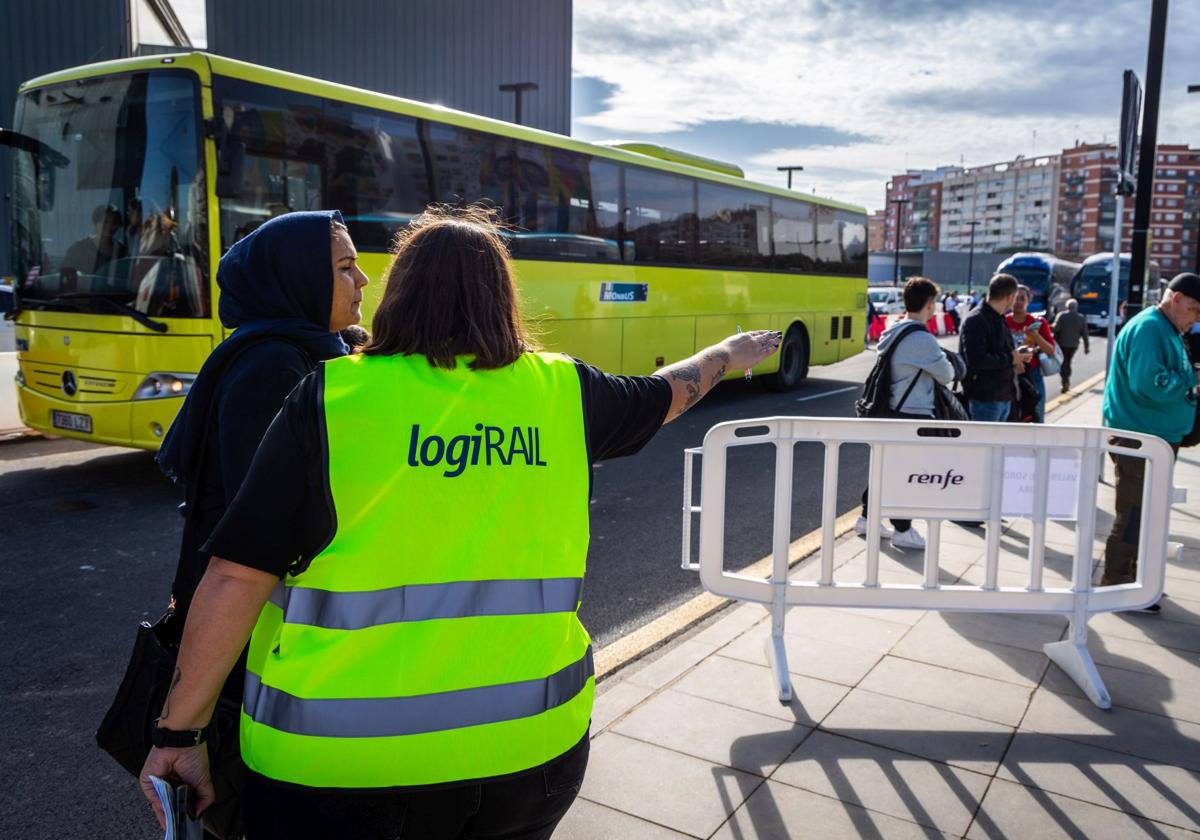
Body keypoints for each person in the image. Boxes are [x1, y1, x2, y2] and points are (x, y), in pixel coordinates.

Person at [137, 205, 782, 839]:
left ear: (401, 291)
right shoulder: (563, 393)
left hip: (340, 768)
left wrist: (179, 732)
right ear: (503, 295)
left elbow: (234, 576)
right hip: (532, 752)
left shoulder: (333, 397)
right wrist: (727, 353)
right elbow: (667, 392)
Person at [1100, 273, 1200, 610]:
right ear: (1175, 300)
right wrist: (1192, 379)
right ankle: (1118, 585)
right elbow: (1150, 383)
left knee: (1145, 513)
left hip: (1150, 436)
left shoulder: (1162, 327)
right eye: (1193, 308)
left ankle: (1136, 582)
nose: (1195, 317)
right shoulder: (1150, 328)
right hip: (1139, 438)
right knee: (1134, 513)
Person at [857, 277, 955, 552]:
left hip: (890, 410)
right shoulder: (920, 338)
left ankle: (867, 518)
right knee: (908, 473)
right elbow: (946, 374)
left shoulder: (895, 329)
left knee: (886, 469)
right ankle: (903, 530)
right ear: (930, 304)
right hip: (912, 413)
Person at [960, 273, 1031, 422]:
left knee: (998, 445)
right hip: (985, 397)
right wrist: (1011, 358)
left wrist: (1019, 355)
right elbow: (976, 360)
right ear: (1010, 297)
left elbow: (1001, 350)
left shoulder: (999, 318)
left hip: (1004, 395)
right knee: (984, 444)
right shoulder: (976, 320)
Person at [1005, 285, 1056, 422]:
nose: (1018, 302)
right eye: (1015, 298)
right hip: (1008, 373)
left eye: (1022, 299)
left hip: (1032, 373)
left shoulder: (1038, 322)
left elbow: (1050, 351)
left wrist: (1035, 336)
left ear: (1028, 301)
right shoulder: (1003, 321)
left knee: (1036, 414)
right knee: (1010, 416)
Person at [62, 203, 126, 276]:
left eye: (114, 223)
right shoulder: (79, 249)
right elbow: (66, 275)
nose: (109, 227)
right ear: (96, 222)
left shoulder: (122, 251)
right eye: (105, 222)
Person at [1051, 298, 1090, 392]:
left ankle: (1065, 380)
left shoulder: (1061, 316)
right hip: (1073, 345)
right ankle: (1066, 379)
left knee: (1062, 362)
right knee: (1068, 361)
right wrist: (1086, 347)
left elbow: (1055, 328)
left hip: (1062, 344)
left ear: (1067, 307)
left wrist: (1050, 325)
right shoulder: (1081, 318)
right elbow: (1085, 334)